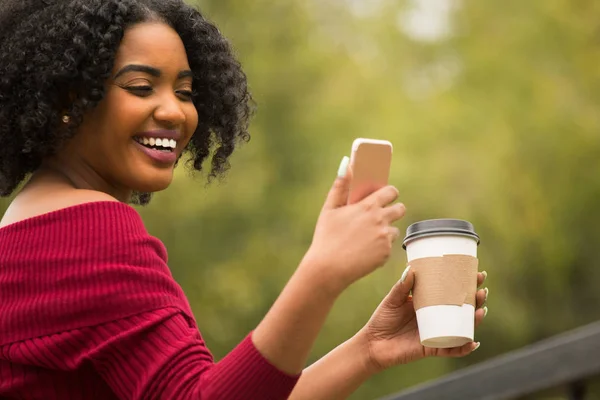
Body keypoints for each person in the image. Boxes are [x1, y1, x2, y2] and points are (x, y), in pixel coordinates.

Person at [0, 0, 489, 399]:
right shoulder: (92, 232)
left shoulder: (30, 224)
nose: (173, 110)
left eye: (186, 91)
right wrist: (322, 273)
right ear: (67, 102)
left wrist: (368, 350)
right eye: (141, 86)